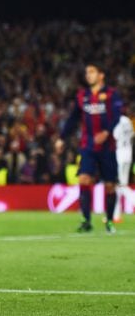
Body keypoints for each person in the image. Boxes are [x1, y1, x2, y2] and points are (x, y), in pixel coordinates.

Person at [56, 63, 123, 233]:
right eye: (87, 72)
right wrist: (62, 138)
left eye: (92, 72)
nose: (88, 75)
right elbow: (72, 119)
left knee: (109, 185)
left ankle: (108, 221)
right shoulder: (82, 96)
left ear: (101, 75)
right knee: (84, 179)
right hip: (88, 146)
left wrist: (107, 132)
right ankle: (86, 220)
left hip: (108, 147)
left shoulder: (111, 94)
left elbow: (116, 116)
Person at [112, 111, 134, 222]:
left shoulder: (115, 121)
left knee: (121, 186)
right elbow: (132, 135)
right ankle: (116, 215)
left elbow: (114, 136)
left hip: (119, 155)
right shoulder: (128, 121)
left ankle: (115, 215)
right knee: (120, 186)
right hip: (128, 155)